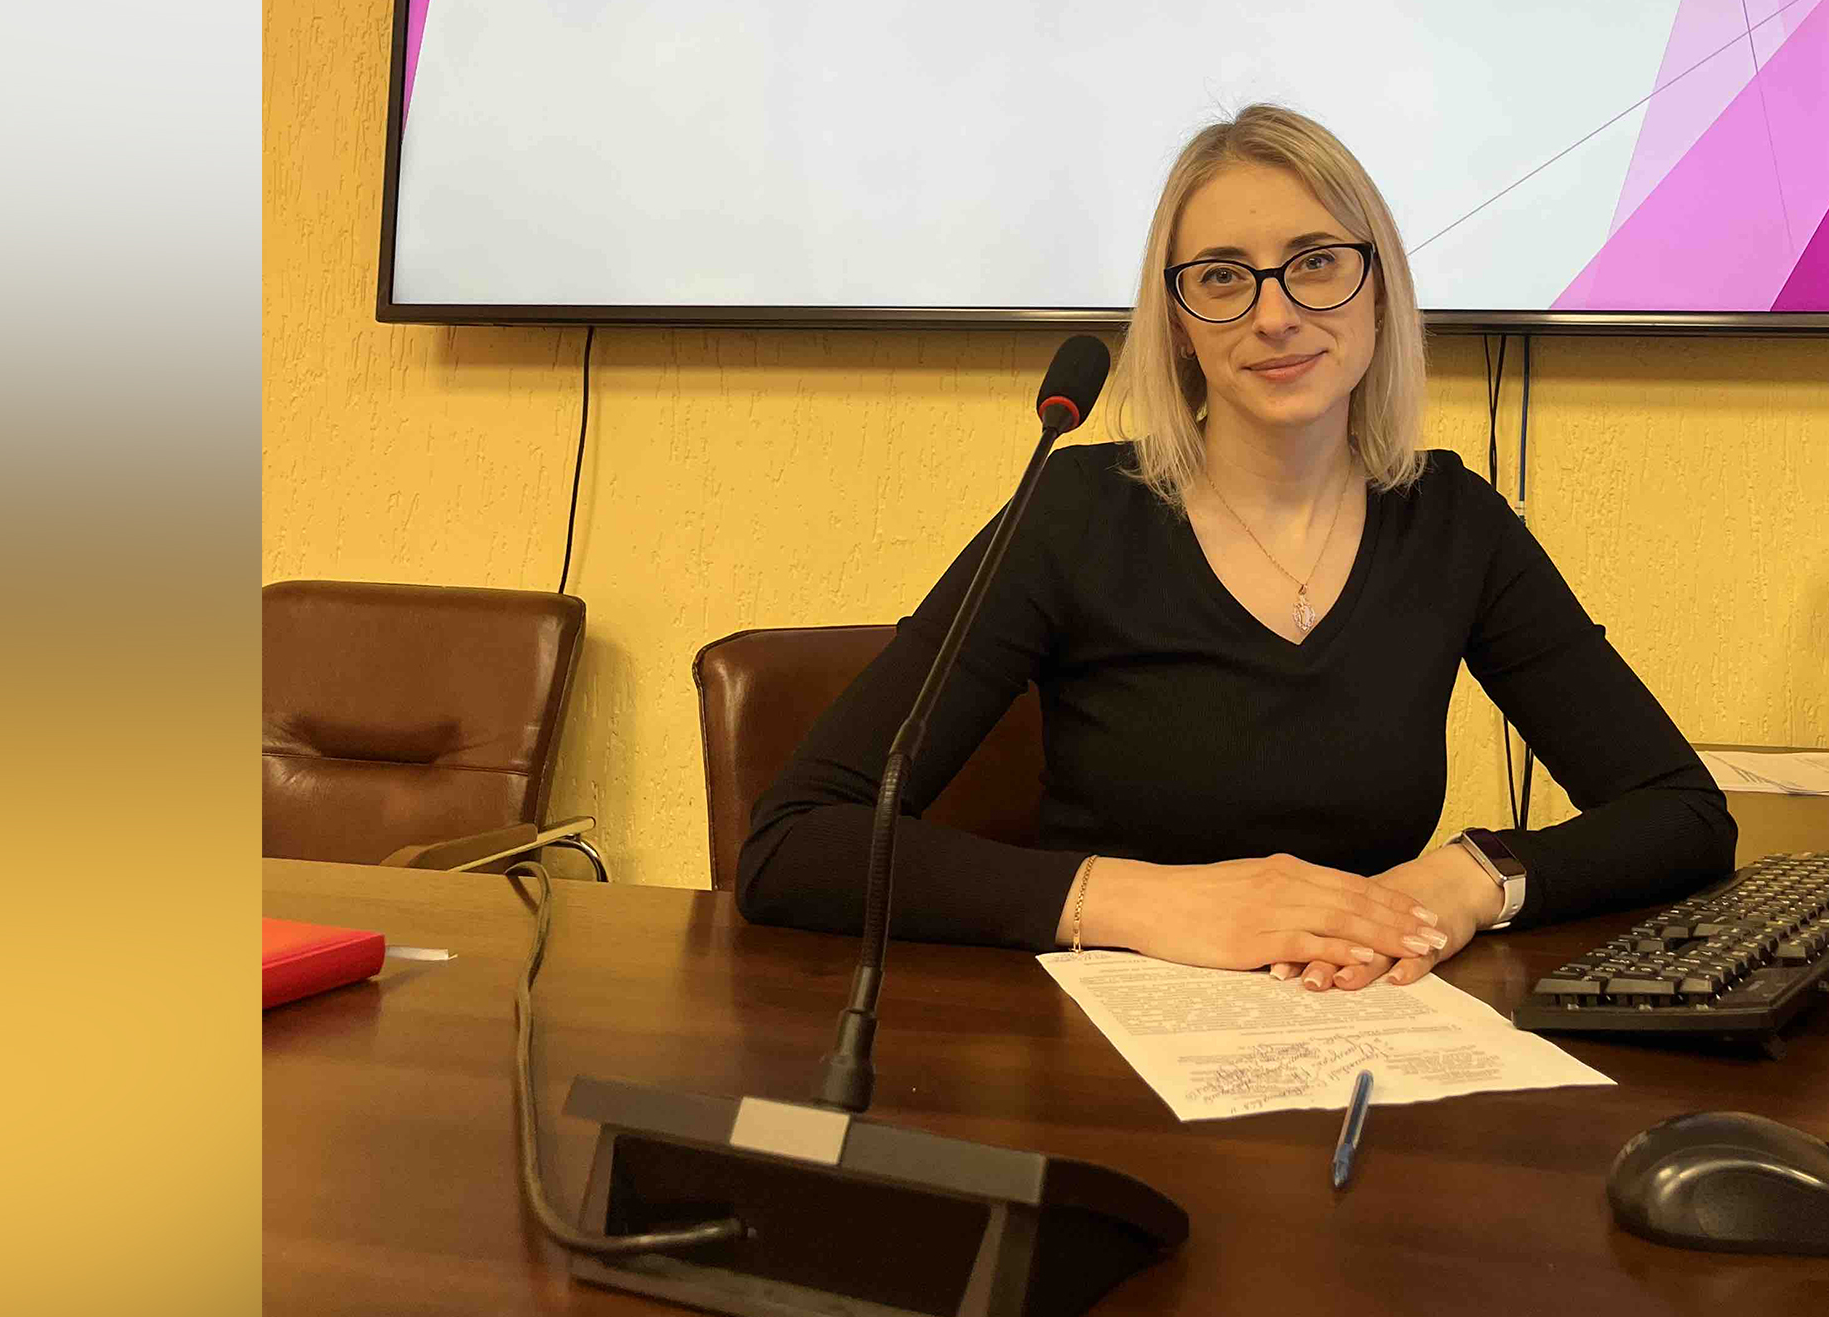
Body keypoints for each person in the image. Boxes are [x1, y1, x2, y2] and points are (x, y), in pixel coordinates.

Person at [736, 105, 1732, 991]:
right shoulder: (1074, 512)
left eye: (1317, 262)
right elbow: (794, 843)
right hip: (1103, 1055)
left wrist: (1471, 878)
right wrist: (1145, 901)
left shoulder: (1451, 520)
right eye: (1221, 277)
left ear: (1378, 290)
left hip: (1360, 1028)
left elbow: (1680, 811)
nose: (1275, 314)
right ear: (1176, 323)